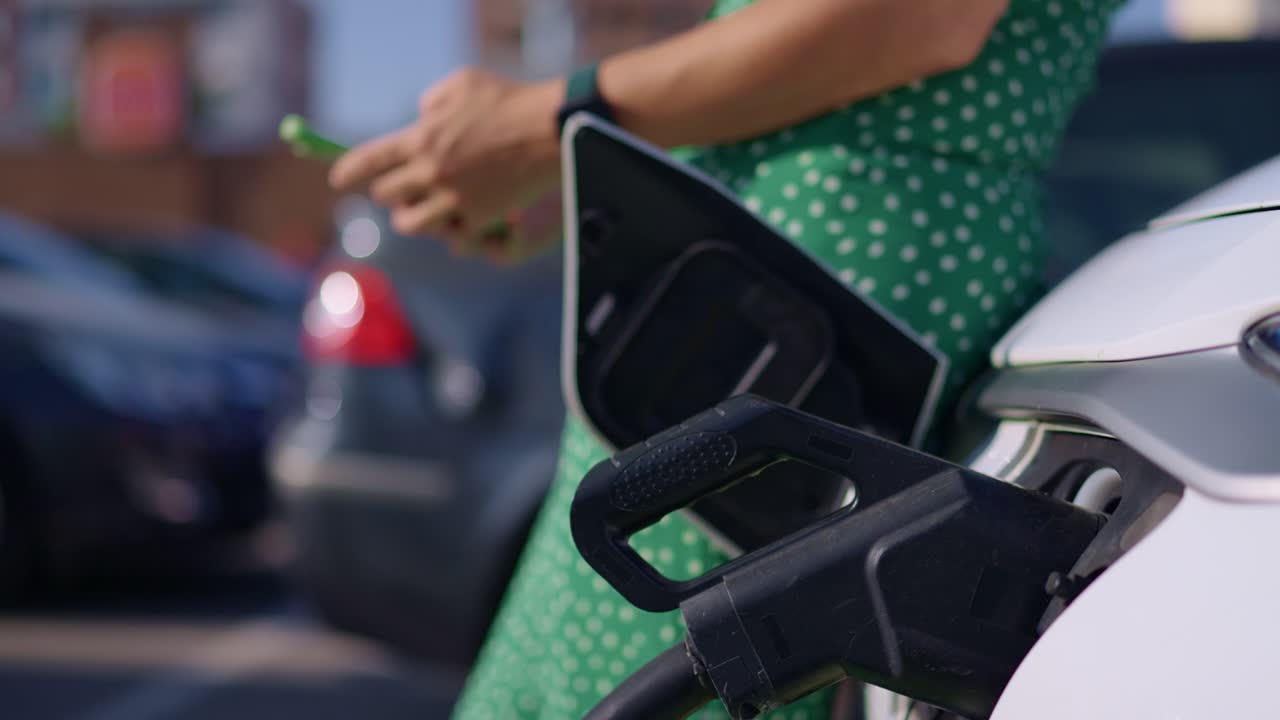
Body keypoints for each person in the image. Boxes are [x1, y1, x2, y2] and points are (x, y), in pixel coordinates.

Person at [330, 1, 1126, 717]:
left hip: (810, 286)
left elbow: (919, 16)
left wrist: (545, 118)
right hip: (768, 281)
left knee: (641, 676)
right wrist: (564, 164)